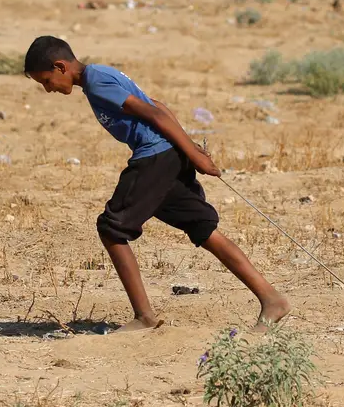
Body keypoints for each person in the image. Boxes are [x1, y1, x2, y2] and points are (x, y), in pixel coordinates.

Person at [24, 36, 290, 333]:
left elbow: (152, 113)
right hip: (167, 155)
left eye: (46, 81)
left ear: (60, 66)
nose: (48, 89)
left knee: (111, 228)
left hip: (155, 157)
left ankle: (144, 316)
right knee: (203, 228)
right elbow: (159, 105)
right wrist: (187, 147)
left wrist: (193, 154)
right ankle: (271, 298)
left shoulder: (97, 82)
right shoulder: (99, 76)